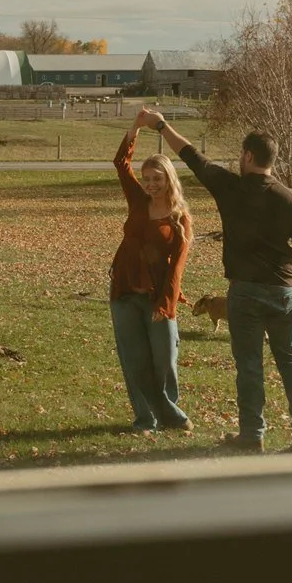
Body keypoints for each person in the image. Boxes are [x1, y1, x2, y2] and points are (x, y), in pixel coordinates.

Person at [137, 108, 292, 452]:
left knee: (250, 366)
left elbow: (191, 156)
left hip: (247, 293)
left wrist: (160, 124)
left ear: (249, 156)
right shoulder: (291, 198)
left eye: (241, 154)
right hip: (285, 292)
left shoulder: (230, 188)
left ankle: (252, 435)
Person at [109, 111, 194, 434]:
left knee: (164, 362)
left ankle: (169, 415)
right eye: (147, 178)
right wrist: (135, 127)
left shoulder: (179, 219)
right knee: (134, 361)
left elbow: (178, 267)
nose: (151, 184)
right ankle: (145, 419)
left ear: (169, 179)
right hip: (124, 291)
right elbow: (120, 164)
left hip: (159, 298)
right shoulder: (137, 200)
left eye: (157, 178)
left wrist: (166, 304)